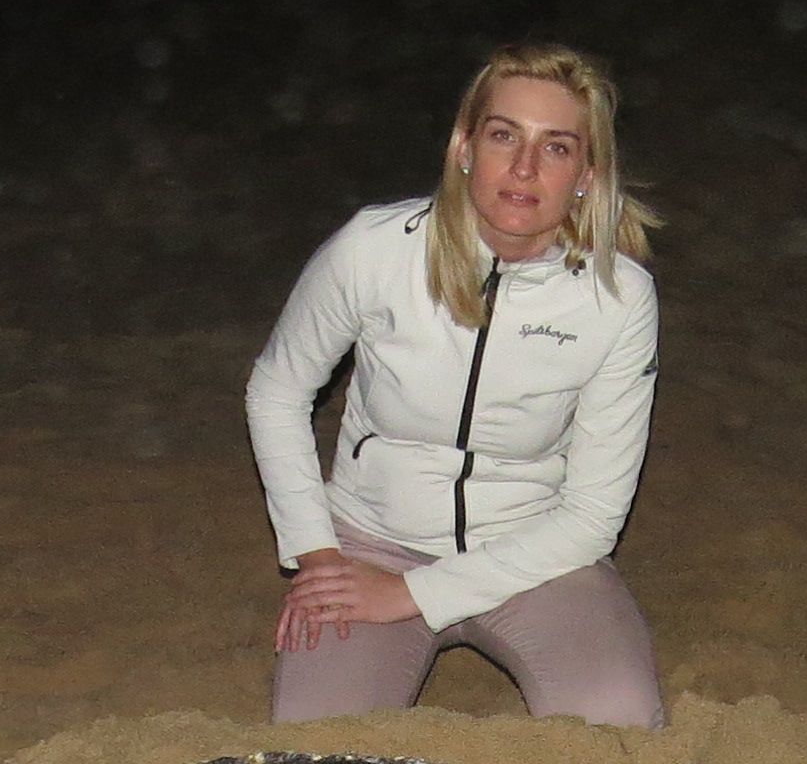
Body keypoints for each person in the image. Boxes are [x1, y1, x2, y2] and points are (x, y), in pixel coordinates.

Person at [245, 43, 666, 727]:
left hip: (532, 553)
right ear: (465, 147)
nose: (524, 168)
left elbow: (592, 515)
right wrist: (318, 553)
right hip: (371, 540)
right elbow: (277, 390)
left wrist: (414, 594)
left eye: (555, 148)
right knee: (317, 752)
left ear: (586, 175)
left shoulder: (618, 300)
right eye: (504, 136)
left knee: (617, 725)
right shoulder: (374, 251)